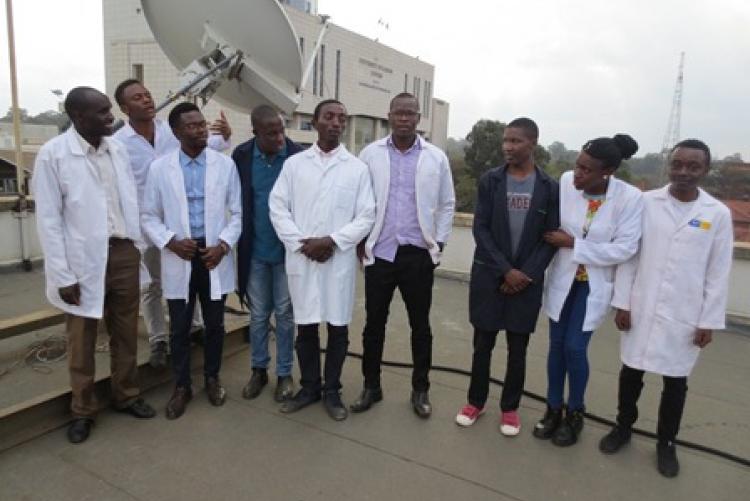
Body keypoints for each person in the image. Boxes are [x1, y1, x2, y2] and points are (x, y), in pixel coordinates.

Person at [599, 139, 733, 478]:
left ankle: (666, 443)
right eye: (677, 164)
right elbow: (629, 256)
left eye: (693, 166)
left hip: (685, 313)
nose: (684, 171)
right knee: (631, 373)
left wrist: (708, 321)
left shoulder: (717, 214)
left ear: (706, 169)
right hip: (642, 304)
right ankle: (623, 427)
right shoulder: (646, 203)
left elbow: (718, 272)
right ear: (669, 165)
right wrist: (623, 302)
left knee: (675, 382)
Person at [33, 87, 156, 444]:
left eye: (108, 110)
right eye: (102, 112)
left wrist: (136, 247)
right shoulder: (54, 155)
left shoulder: (116, 149)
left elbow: (127, 200)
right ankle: (83, 410)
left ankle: (126, 395)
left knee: (125, 332)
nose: (110, 117)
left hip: (122, 253)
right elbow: (48, 220)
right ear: (78, 116)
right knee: (82, 339)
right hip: (82, 261)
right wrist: (61, 275)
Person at [113, 78, 232, 368]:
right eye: (137, 97)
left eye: (147, 94)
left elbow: (201, 147)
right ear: (124, 108)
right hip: (147, 226)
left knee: (189, 280)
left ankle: (194, 327)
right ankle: (158, 339)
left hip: (183, 223)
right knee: (153, 285)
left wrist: (225, 137)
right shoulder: (118, 144)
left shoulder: (170, 130)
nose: (146, 99)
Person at [533, 134, 643, 446]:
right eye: (577, 165)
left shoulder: (630, 198)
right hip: (564, 278)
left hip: (592, 284)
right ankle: (553, 408)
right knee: (556, 345)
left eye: (586, 169)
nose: (577, 174)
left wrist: (574, 244)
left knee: (575, 347)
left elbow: (625, 248)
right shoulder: (566, 183)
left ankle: (575, 413)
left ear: (607, 172)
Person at [269, 99, 375, 421]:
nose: (336, 123)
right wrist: (303, 244)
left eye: (341, 118)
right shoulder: (294, 165)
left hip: (337, 260)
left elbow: (366, 215)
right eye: (329, 117)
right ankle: (310, 387)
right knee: (306, 327)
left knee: (338, 327)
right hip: (303, 259)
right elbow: (278, 207)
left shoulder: (356, 169)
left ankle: (332, 391)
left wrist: (331, 241)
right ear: (315, 122)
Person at [351, 92, 455, 418]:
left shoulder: (435, 157)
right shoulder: (371, 154)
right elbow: (358, 199)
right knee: (373, 325)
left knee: (420, 326)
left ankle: (420, 390)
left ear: (419, 118)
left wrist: (439, 242)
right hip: (380, 253)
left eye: (410, 113)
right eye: (399, 113)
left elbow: (447, 203)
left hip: (417, 254)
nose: (404, 119)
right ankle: (371, 386)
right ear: (389, 115)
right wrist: (360, 239)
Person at [455, 118, 559, 435]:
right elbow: (481, 228)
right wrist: (506, 270)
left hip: (526, 283)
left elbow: (550, 237)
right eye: (506, 140)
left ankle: (510, 408)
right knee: (482, 345)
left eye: (515, 141)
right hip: (490, 276)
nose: (507, 147)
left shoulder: (549, 187)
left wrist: (526, 274)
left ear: (533, 143)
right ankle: (475, 402)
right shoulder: (491, 180)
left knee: (518, 349)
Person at [141, 102, 241, 419]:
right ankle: (182, 385)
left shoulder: (224, 165)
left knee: (215, 324)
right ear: (176, 132)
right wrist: (170, 241)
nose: (200, 130)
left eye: (201, 124)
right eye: (191, 125)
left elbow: (238, 213)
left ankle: (212, 378)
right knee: (180, 327)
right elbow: (148, 215)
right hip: (179, 253)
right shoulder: (160, 168)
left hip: (212, 255)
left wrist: (222, 246)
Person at [232, 105, 302, 402]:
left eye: (281, 131)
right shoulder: (242, 156)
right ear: (255, 133)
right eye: (271, 133)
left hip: (288, 253)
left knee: (285, 315)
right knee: (259, 315)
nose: (279, 138)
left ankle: (284, 373)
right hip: (255, 251)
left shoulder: (297, 156)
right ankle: (258, 370)